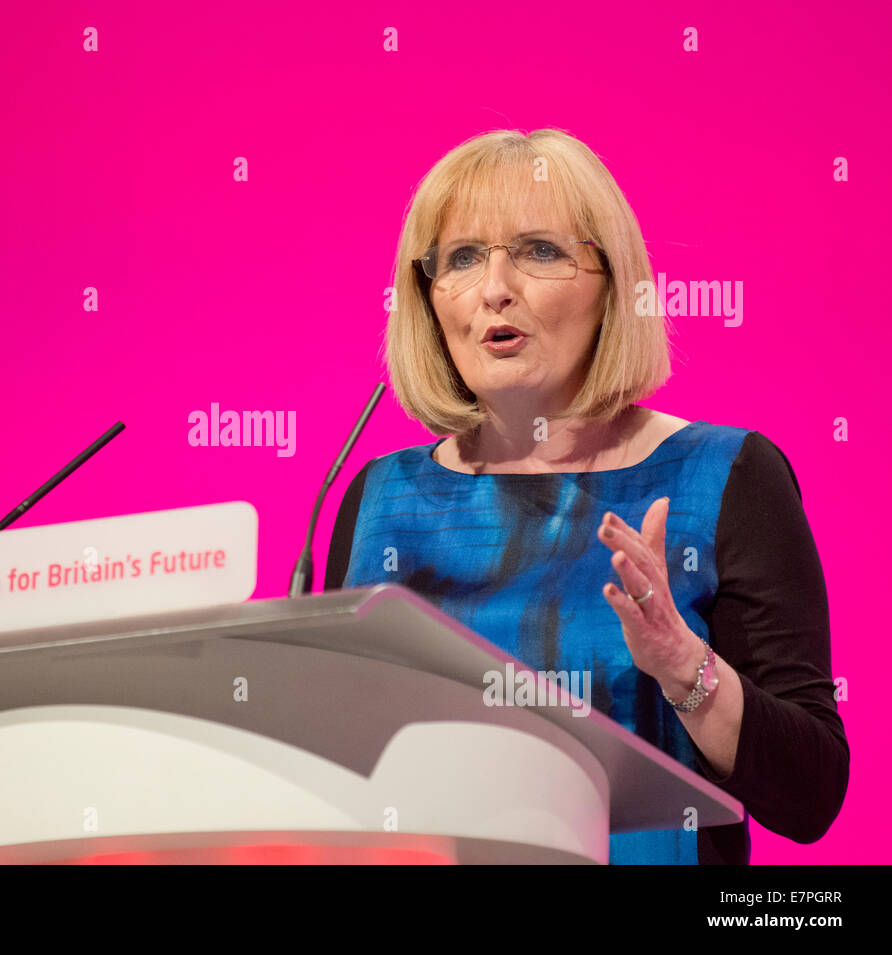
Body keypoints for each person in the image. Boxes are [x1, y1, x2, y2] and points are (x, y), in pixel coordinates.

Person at [324, 128, 848, 864]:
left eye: (539, 250)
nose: (494, 287)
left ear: (613, 287)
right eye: (463, 257)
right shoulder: (378, 498)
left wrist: (682, 666)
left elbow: (812, 793)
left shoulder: (725, 475)